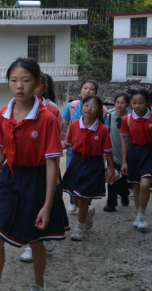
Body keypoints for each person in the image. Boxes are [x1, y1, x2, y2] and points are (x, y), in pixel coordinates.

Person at [0, 58, 66, 291]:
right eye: (14, 80)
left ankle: (39, 283)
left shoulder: (47, 118)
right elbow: (3, 152)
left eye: (26, 81)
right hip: (9, 178)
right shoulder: (4, 113)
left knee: (35, 239)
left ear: (38, 83)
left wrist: (47, 205)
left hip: (37, 181)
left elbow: (52, 163)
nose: (19, 86)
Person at [19, 73, 67, 261]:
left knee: (48, 201)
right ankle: (31, 242)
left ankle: (47, 235)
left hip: (46, 166)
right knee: (27, 204)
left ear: (43, 87)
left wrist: (54, 174)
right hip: (25, 167)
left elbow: (54, 145)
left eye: (32, 83)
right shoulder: (16, 108)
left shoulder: (52, 110)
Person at [61, 95, 114, 241]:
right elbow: (67, 144)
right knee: (75, 198)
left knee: (82, 197)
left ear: (99, 111)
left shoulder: (102, 129)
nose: (88, 109)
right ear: (81, 107)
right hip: (77, 163)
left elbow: (108, 151)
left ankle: (79, 228)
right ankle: (88, 213)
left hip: (94, 165)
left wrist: (110, 170)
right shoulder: (74, 125)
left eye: (93, 106)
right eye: (86, 105)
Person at [61, 79, 108, 214]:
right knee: (73, 175)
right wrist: (63, 138)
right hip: (73, 149)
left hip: (92, 152)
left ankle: (85, 203)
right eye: (85, 88)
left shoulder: (102, 110)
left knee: (88, 179)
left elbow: (103, 130)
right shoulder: (72, 105)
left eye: (91, 89)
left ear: (96, 92)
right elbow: (65, 123)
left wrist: (105, 160)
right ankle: (74, 201)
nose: (87, 91)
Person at [120, 89, 152, 232]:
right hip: (134, 153)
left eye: (141, 103)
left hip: (151, 153)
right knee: (135, 186)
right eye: (134, 103)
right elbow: (125, 142)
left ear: (148, 102)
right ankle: (139, 214)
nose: (137, 106)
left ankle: (141, 214)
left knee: (145, 183)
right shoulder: (127, 120)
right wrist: (124, 162)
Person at [103, 93, 131, 212]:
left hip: (127, 154)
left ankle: (125, 195)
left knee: (124, 178)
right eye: (117, 102)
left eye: (122, 102)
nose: (119, 105)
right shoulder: (109, 117)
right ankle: (111, 203)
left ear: (128, 104)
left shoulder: (131, 118)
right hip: (112, 153)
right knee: (112, 177)